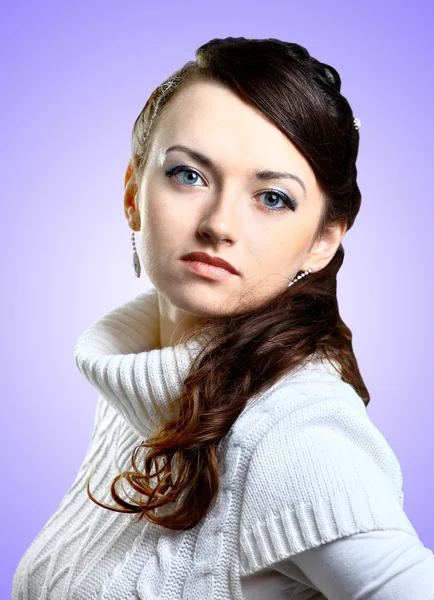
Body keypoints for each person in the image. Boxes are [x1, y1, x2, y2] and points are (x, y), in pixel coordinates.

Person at [12, 37, 434, 599]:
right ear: (133, 192)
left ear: (322, 242)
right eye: (189, 175)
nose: (219, 223)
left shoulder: (293, 435)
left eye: (272, 198)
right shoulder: (143, 385)